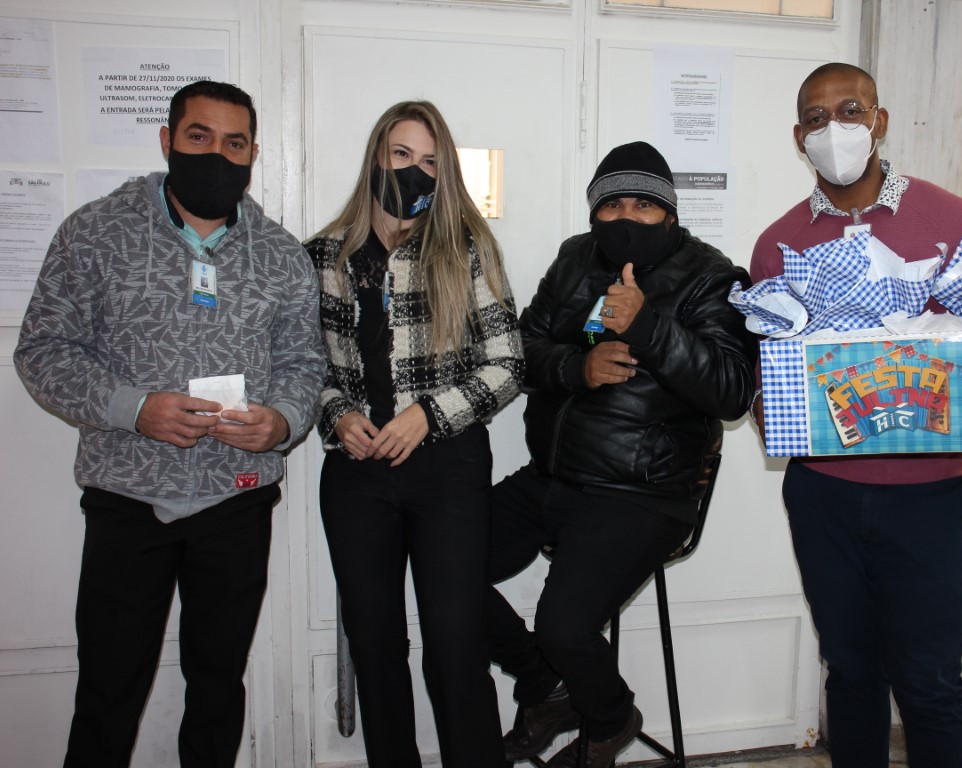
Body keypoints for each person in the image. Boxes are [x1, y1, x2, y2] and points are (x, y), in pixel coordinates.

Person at [750, 63, 962, 767]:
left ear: (879, 121)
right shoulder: (779, 244)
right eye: (816, 117)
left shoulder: (952, 220)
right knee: (850, 674)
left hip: (932, 501)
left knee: (930, 686)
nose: (834, 128)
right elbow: (772, 358)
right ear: (799, 136)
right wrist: (772, 405)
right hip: (824, 497)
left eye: (850, 110)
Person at [14, 80, 325, 767]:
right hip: (127, 497)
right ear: (167, 141)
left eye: (235, 143)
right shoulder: (95, 232)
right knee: (108, 689)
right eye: (199, 137)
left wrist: (280, 423)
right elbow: (42, 352)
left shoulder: (281, 255)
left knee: (217, 687)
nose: (217, 154)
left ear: (253, 155)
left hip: (236, 498)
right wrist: (135, 408)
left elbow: (305, 364)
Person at [484, 141, 758, 768]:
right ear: (594, 212)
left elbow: (732, 391)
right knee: (445, 564)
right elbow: (522, 351)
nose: (626, 217)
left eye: (643, 205)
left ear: (670, 212)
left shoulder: (713, 276)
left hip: (643, 493)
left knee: (563, 626)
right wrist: (577, 368)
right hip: (552, 477)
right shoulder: (574, 258)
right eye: (611, 205)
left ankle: (610, 718)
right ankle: (548, 688)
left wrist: (647, 328)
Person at [305, 100, 524, 768]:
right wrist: (337, 415)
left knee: (456, 648)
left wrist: (428, 413)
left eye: (430, 161)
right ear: (377, 156)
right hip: (356, 476)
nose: (414, 170)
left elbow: (508, 364)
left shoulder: (467, 248)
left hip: (448, 472)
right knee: (375, 649)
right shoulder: (322, 255)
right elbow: (303, 369)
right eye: (401, 155)